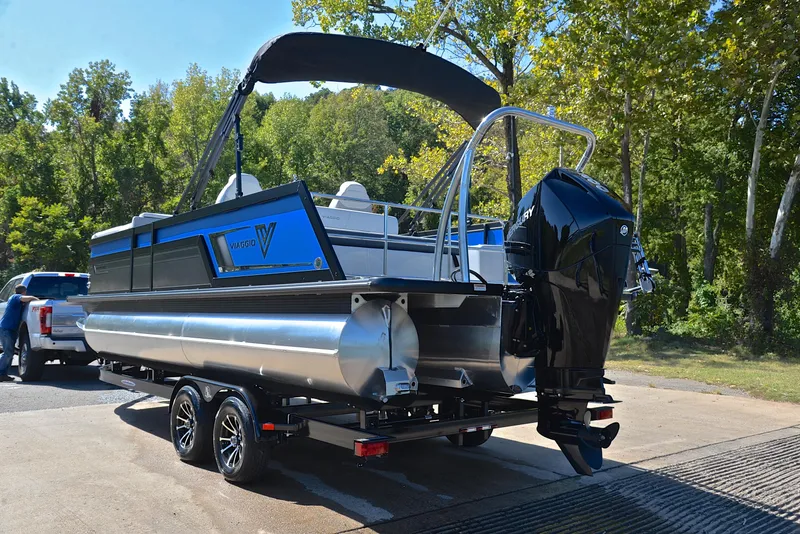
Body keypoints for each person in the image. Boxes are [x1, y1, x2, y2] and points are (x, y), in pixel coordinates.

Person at [0, 285, 39, 382]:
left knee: (9, 353)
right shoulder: (15, 297)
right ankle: (1, 373)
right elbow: (25, 298)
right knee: (7, 353)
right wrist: (35, 299)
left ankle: (3, 374)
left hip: (9, 329)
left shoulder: (16, 300)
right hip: (6, 329)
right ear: (24, 291)